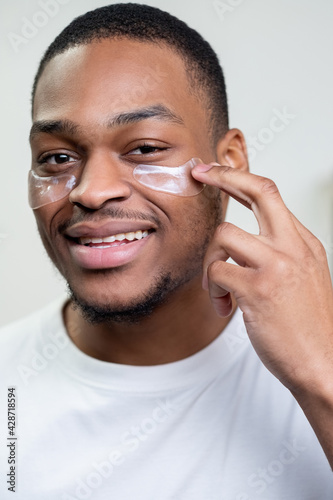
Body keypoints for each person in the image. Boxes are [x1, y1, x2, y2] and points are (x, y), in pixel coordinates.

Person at [1, 3, 332, 499]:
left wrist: (321, 377)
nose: (90, 192)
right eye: (58, 157)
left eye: (145, 149)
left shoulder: (321, 362)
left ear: (229, 161)